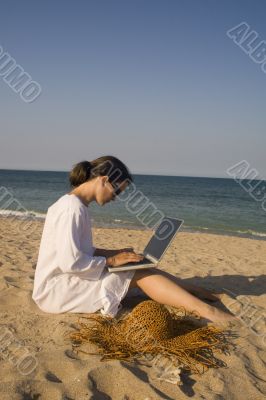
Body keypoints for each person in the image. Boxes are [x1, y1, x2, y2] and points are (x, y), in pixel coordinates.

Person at [32, 155, 236, 323]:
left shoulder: (77, 206)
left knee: (140, 266)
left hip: (67, 280)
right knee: (137, 275)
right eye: (118, 190)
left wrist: (116, 253)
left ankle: (196, 291)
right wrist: (111, 261)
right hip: (57, 291)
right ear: (103, 180)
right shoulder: (72, 209)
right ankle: (210, 312)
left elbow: (81, 250)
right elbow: (71, 262)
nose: (117, 197)